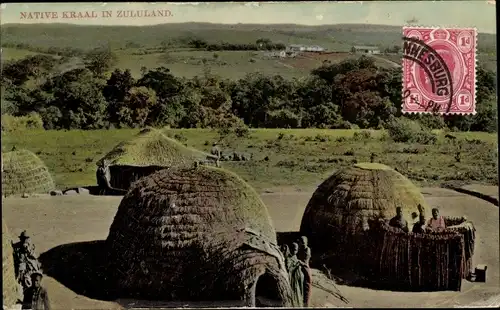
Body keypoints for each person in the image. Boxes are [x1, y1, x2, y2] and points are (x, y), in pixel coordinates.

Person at [288, 243, 305, 307]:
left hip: (298, 276)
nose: (296, 251)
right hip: (293, 279)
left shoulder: (295, 256)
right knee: (296, 292)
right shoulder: (288, 258)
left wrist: (300, 262)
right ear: (291, 249)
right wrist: (297, 264)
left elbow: (296, 261)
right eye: (295, 249)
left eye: (297, 250)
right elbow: (289, 269)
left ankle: (300, 302)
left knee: (300, 291)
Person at [297, 236, 312, 307]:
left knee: (306, 287)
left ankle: (306, 305)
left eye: (304, 242)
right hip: (300, 269)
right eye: (301, 242)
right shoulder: (299, 249)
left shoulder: (307, 249)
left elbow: (305, 261)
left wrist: (297, 261)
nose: (303, 243)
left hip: (305, 269)